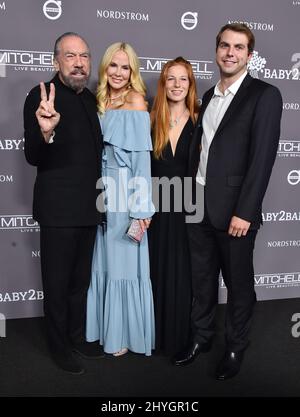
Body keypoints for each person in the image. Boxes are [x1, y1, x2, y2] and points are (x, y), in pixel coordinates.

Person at [173, 23, 282, 380]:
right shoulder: (208, 95)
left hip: (236, 212)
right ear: (217, 50)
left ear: (249, 55)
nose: (230, 53)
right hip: (198, 205)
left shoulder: (264, 95)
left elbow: (262, 158)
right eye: (224, 46)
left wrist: (246, 211)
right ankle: (201, 337)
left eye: (238, 47)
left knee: (238, 285)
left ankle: (235, 346)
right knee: (201, 280)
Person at [24, 32, 104, 374]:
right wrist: (45, 132)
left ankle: (76, 337)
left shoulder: (88, 99)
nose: (79, 63)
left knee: (78, 283)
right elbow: (32, 155)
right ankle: (59, 347)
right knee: (57, 284)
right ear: (56, 60)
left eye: (84, 56)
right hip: (58, 210)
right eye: (70, 56)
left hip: (89, 208)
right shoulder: (42, 96)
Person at [86, 42, 155, 356]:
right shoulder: (100, 101)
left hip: (124, 193)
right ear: (104, 67)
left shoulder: (135, 101)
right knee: (104, 263)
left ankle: (125, 336)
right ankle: (104, 328)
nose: (117, 72)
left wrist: (141, 208)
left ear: (133, 72)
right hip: (99, 191)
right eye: (112, 65)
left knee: (124, 265)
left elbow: (142, 161)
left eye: (124, 67)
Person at [149, 57, 200, 357]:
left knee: (185, 272)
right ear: (163, 83)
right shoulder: (151, 117)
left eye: (183, 79)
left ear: (191, 84)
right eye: (171, 79)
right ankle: (153, 334)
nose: (177, 85)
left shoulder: (201, 119)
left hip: (191, 206)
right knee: (156, 267)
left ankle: (181, 336)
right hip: (156, 206)